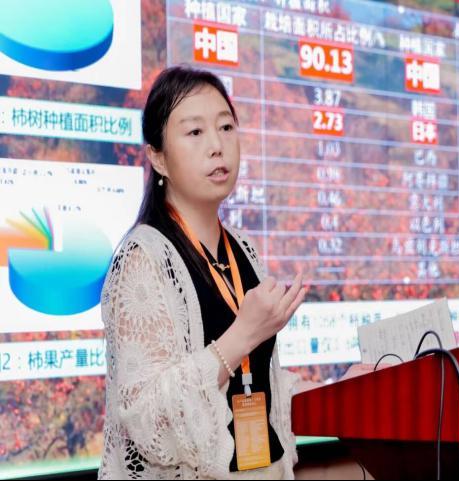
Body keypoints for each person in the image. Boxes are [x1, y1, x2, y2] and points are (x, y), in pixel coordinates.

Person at [98, 65, 379, 480]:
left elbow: (259, 385)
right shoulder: (144, 259)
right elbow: (147, 419)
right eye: (195, 132)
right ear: (158, 157)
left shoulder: (242, 249)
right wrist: (242, 335)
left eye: (226, 127)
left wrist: (339, 393)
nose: (217, 146)